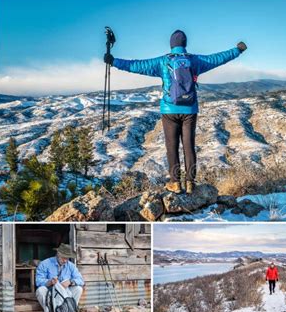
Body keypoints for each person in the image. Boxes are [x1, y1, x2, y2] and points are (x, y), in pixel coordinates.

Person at [104, 30, 247, 194]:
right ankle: (191, 183)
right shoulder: (195, 61)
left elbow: (137, 65)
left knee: (172, 147)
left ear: (171, 45)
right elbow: (218, 58)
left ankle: (175, 183)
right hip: (190, 109)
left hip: (169, 110)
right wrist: (238, 50)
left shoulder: (163, 61)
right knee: (189, 146)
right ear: (185, 44)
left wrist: (114, 61)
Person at [35, 244, 84, 312]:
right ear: (58, 254)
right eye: (63, 258)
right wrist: (49, 282)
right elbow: (38, 281)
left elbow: (81, 280)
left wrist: (70, 282)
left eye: (67, 258)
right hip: (50, 293)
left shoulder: (71, 266)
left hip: (65, 293)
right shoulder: (45, 264)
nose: (65, 260)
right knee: (40, 290)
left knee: (78, 289)